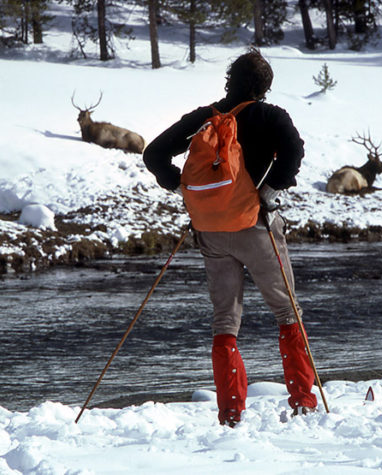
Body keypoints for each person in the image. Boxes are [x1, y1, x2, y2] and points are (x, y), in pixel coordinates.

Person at [142, 48, 317, 427]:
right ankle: (303, 400)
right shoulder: (271, 116)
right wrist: (270, 191)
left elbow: (154, 154)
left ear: (229, 81)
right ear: (264, 87)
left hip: (210, 231)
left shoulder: (204, 117)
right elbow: (294, 152)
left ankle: (231, 412)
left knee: (225, 320)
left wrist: (182, 189)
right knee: (287, 312)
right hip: (257, 227)